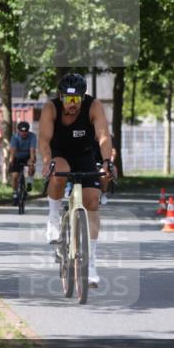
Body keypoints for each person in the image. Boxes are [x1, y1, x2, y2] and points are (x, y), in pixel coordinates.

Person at [39, 73, 114, 288]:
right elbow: (44, 139)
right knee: (58, 172)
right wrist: (46, 161)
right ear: (61, 97)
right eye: (68, 99)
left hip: (84, 155)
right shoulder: (51, 108)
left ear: (83, 97)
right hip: (60, 153)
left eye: (77, 100)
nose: (72, 105)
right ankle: (53, 218)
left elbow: (103, 136)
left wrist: (107, 161)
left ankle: (91, 266)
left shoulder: (94, 106)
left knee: (92, 201)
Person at [9, 120, 37, 205]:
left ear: (28, 131)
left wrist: (31, 162)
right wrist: (11, 162)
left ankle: (29, 183)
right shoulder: (14, 137)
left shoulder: (32, 136)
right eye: (22, 132)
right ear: (18, 131)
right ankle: (15, 194)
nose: (24, 133)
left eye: (26, 132)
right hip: (17, 157)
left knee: (31, 166)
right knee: (15, 176)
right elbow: (13, 151)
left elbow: (32, 150)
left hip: (28, 156)